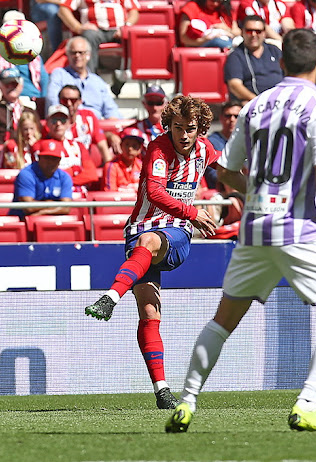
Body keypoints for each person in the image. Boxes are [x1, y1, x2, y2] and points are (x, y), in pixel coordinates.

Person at [165, 28, 316, 434]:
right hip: (296, 226)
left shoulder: (255, 106)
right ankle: (307, 403)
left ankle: (186, 402)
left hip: (254, 227)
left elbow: (225, 169)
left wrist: (257, 192)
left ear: (281, 62)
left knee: (224, 319)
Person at [84, 95, 219, 409]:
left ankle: (110, 297)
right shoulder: (158, 150)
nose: (183, 134)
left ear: (200, 129)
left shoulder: (205, 150)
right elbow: (155, 191)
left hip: (175, 232)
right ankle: (162, 391)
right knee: (149, 312)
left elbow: (225, 165)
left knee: (151, 243)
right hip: (140, 231)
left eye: (190, 128)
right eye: (177, 127)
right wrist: (193, 211)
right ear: (168, 125)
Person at [46, 36, 122, 120]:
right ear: (67, 55)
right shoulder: (59, 75)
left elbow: (111, 110)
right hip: (68, 124)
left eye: (81, 52)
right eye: (73, 53)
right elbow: (52, 102)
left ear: (88, 55)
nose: (77, 56)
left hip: (95, 126)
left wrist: (113, 122)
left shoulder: (97, 81)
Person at [58, 0, 139, 74]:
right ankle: (89, 76)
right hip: (95, 31)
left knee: (135, 37)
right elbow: (63, 9)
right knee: (89, 36)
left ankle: (126, 76)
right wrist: (78, 27)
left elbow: (134, 11)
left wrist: (126, 26)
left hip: (119, 30)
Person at [224, 15, 283, 104]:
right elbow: (235, 85)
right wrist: (258, 101)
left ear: (264, 33)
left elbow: (290, 75)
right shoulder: (235, 56)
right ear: (242, 32)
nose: (253, 35)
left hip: (280, 101)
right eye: (249, 31)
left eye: (258, 31)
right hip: (253, 104)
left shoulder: (274, 51)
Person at [9, 139, 73, 218]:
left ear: (59, 160)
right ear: (39, 158)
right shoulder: (26, 174)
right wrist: (51, 204)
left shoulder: (64, 177)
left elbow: (66, 208)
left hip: (52, 223)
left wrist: (43, 212)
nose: (50, 162)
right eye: (47, 158)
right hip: (23, 222)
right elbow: (28, 207)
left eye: (54, 158)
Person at [44, 103, 98, 191]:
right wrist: (73, 171)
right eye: (54, 120)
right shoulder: (40, 146)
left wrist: (64, 181)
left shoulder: (79, 146)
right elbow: (44, 176)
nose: (58, 123)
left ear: (69, 122)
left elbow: (91, 175)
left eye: (62, 120)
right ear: (47, 123)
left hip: (78, 196)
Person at [58, 84, 113, 165]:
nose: (69, 104)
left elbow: (102, 144)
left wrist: (110, 167)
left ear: (80, 101)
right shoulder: (53, 122)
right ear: (59, 101)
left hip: (85, 165)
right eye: (64, 100)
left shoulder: (89, 117)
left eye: (73, 100)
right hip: (63, 166)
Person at [0, 67, 28, 145]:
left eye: (14, 84)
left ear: (21, 86)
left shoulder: (29, 110)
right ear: (0, 86)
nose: (11, 88)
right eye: (7, 85)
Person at [206, 100, 242, 189]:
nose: (232, 119)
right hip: (219, 190)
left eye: (236, 116)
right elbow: (213, 174)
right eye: (228, 116)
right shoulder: (212, 142)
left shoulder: (248, 141)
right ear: (221, 118)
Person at [102, 127, 144, 192]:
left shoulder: (143, 166)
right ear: (121, 145)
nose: (130, 149)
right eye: (127, 144)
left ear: (140, 149)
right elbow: (109, 192)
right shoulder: (111, 166)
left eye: (134, 146)